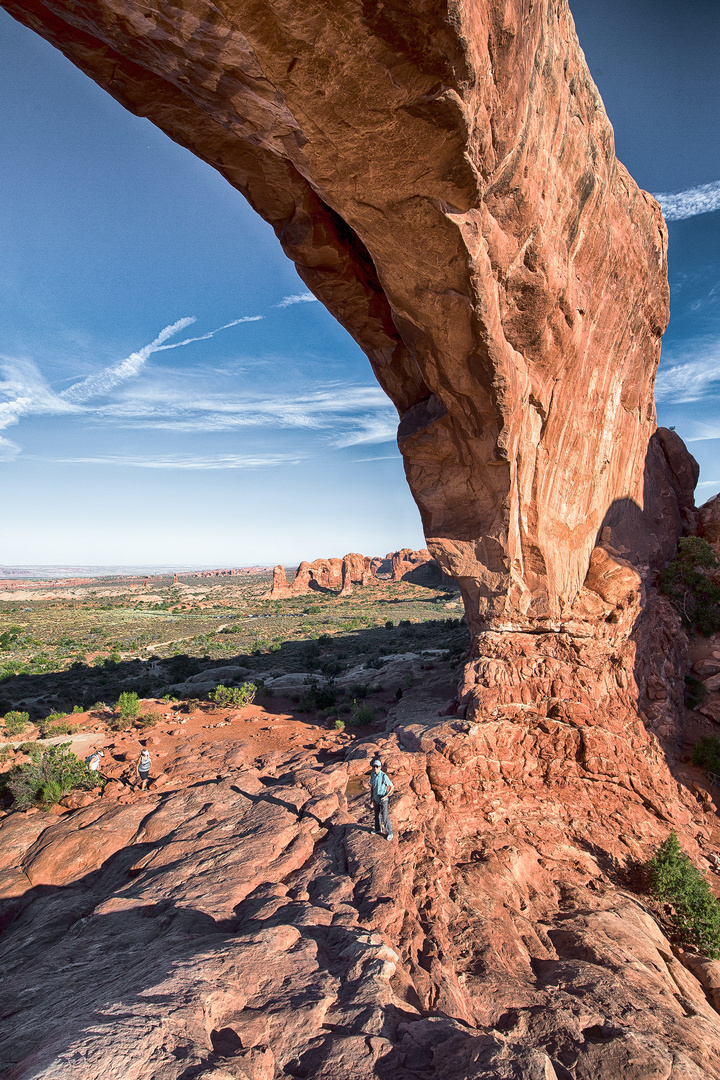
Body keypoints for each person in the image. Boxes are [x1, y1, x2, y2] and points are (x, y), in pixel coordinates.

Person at [370, 757, 394, 841]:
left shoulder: (384, 776)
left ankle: (389, 833)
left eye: (377, 767)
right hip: (375, 799)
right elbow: (372, 787)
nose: (375, 768)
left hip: (383, 800)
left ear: (380, 767)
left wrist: (386, 795)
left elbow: (391, 786)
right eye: (374, 767)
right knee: (376, 815)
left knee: (384, 816)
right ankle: (377, 829)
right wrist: (371, 799)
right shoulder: (372, 775)